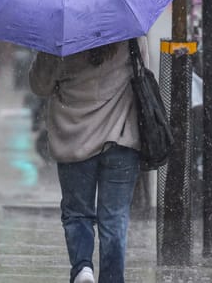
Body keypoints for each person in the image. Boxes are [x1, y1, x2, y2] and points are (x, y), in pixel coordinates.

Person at [29, 40, 142, 283]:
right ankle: (112, 278)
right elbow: (141, 72)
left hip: (74, 137)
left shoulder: (59, 38)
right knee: (114, 217)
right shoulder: (128, 32)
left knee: (77, 213)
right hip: (120, 136)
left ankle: (82, 268)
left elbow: (39, 85)